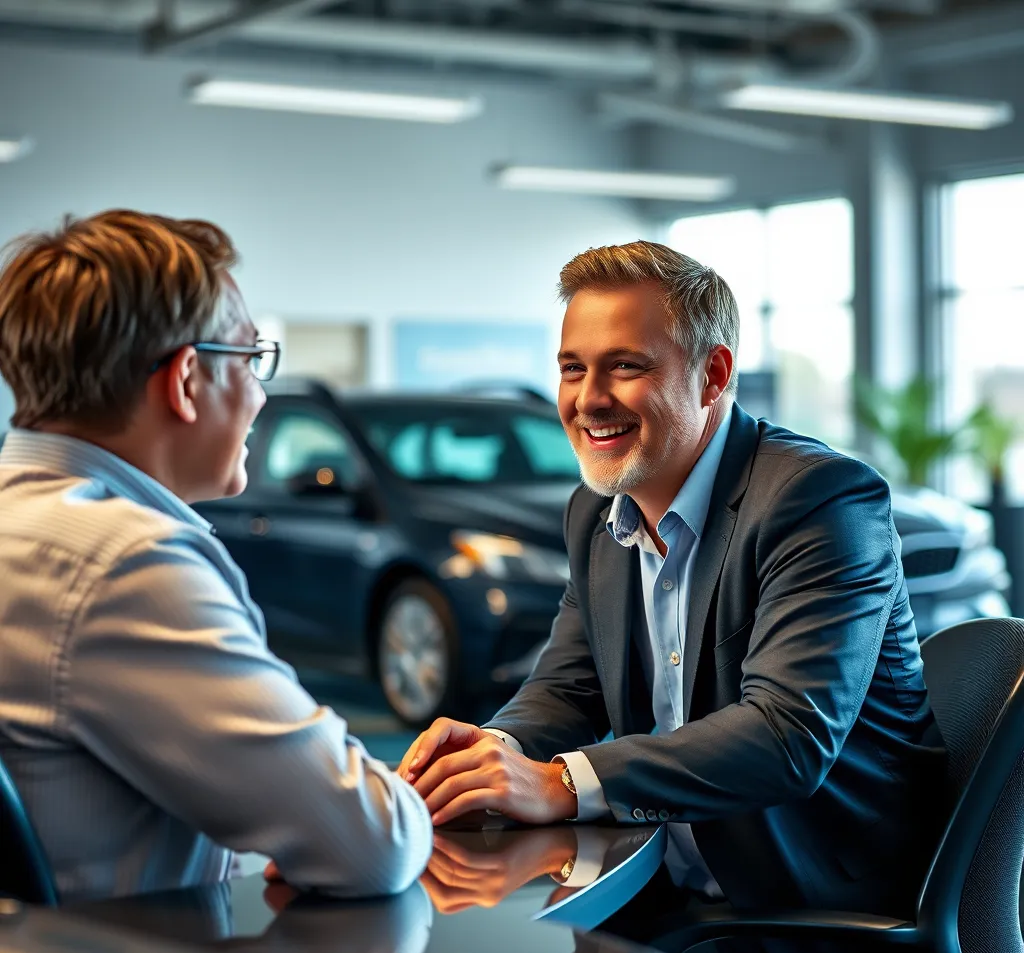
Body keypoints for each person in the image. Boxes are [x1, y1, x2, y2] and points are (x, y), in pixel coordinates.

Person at [399, 241, 945, 915]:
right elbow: (570, 689)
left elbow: (786, 737)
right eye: (573, 370)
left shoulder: (820, 500)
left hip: (812, 920)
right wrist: (490, 753)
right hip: (657, 897)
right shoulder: (596, 513)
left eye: (624, 367)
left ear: (713, 375)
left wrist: (565, 783)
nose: (589, 400)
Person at [0, 210, 432, 901]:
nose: (260, 395)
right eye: (251, 359)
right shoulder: (120, 566)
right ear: (187, 378)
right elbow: (368, 842)